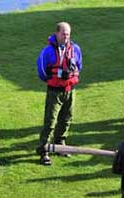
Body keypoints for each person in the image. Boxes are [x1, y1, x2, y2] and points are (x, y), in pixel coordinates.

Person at [36, 22, 82, 165]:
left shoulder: (75, 49)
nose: (66, 37)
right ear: (56, 33)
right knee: (50, 121)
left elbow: (79, 66)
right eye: (63, 34)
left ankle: (60, 144)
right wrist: (53, 80)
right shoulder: (47, 51)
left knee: (66, 118)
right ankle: (44, 150)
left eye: (68, 34)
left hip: (70, 90)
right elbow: (42, 71)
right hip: (54, 92)